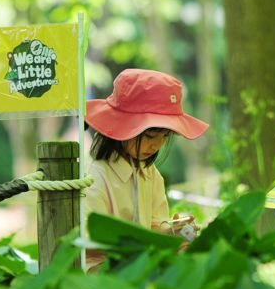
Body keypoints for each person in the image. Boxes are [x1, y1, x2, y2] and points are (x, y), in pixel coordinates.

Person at [84, 68, 209, 270]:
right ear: (120, 124)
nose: (156, 145)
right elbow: (90, 243)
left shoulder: (151, 175)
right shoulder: (95, 177)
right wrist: (159, 239)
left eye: (165, 137)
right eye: (151, 136)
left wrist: (174, 232)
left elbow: (154, 227)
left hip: (142, 266)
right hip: (102, 275)